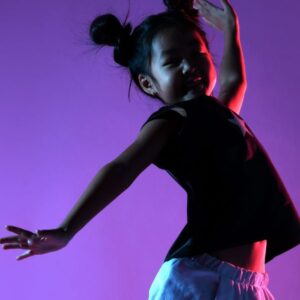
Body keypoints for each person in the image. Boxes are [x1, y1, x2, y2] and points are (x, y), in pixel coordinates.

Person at [0, 0, 299, 299]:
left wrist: (232, 30)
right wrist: (66, 230)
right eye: (172, 61)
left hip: (249, 285)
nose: (189, 64)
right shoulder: (174, 120)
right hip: (202, 280)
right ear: (148, 83)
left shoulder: (222, 116)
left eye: (198, 53)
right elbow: (122, 168)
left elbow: (235, 82)